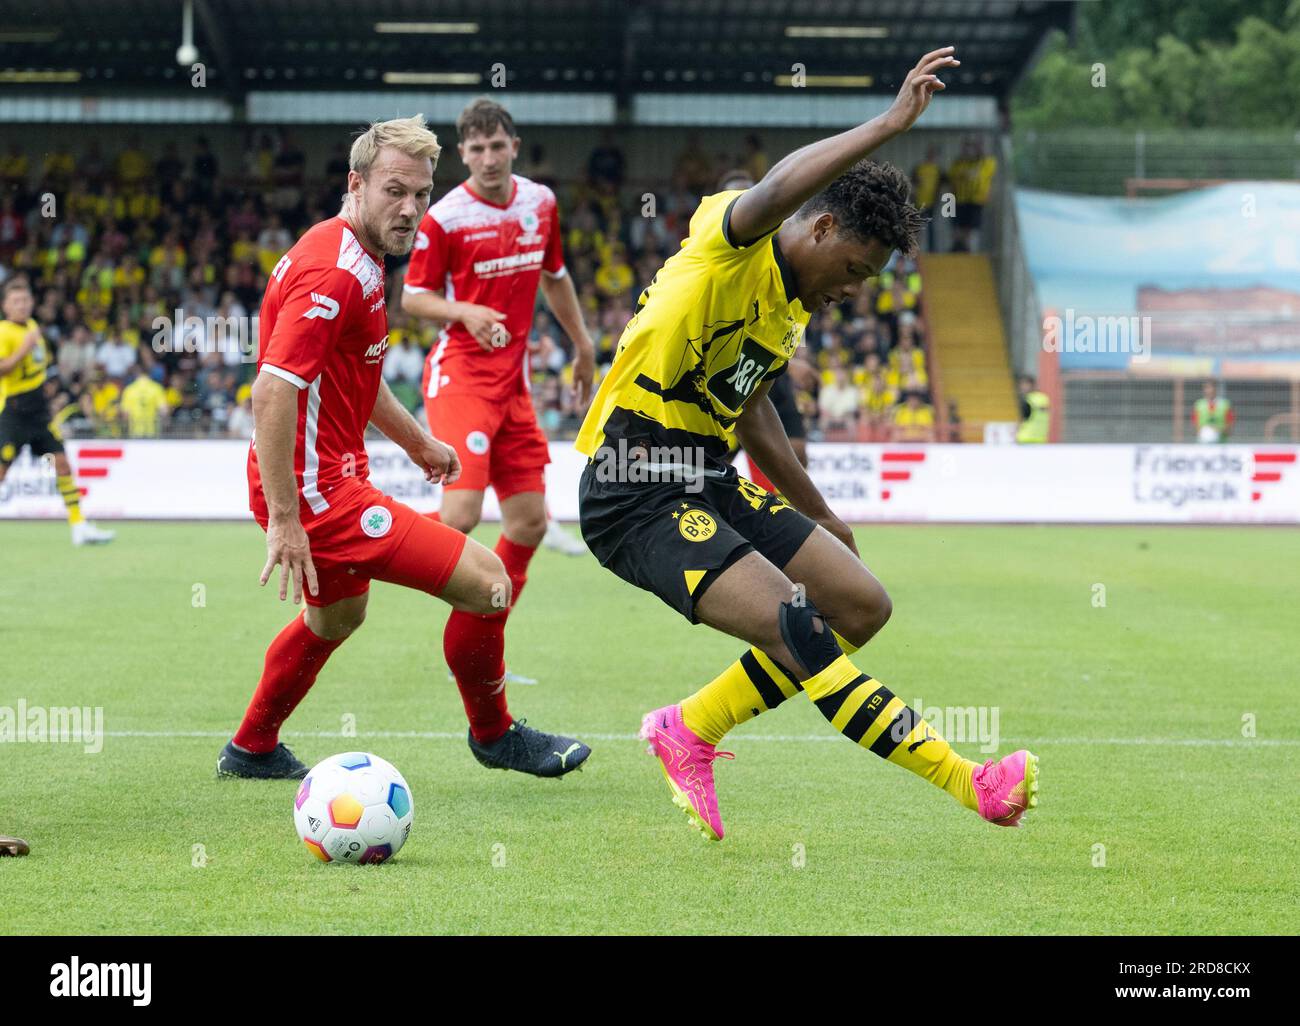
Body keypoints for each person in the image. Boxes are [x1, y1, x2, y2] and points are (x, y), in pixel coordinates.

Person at [576, 47, 1038, 841]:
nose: (851, 290)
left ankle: (687, 729)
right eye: (853, 268)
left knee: (860, 603)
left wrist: (820, 513)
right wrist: (890, 124)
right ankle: (970, 782)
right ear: (820, 227)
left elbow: (752, 408)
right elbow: (780, 185)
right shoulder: (736, 247)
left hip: (705, 471)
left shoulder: (790, 307)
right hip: (634, 482)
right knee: (799, 626)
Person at [217, 115, 589, 783]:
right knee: (489, 585)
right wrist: (285, 519)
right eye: (395, 190)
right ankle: (495, 733)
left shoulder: (348, 252)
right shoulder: (335, 275)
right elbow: (272, 394)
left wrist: (419, 442)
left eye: (421, 193)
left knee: (335, 619)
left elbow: (354, 371)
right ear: (356, 184)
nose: (411, 208)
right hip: (320, 493)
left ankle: (252, 747)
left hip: (327, 478)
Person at [401, 97, 598, 706]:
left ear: (514, 146)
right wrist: (464, 309)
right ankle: (362, 541)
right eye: (476, 149)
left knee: (530, 523)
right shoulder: (447, 217)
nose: (487, 158)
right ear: (463, 155)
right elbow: (413, 297)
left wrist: (584, 345)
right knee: (458, 517)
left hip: (511, 385)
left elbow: (556, 276)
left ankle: (484, 646)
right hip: (460, 376)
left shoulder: (540, 202)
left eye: (497, 146)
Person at [0, 277, 115, 546]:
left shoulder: (32, 327)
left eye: (26, 300)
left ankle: (79, 526)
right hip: (14, 412)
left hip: (39, 413)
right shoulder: (5, 332)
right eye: (16, 301)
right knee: (2, 471)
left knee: (62, 463)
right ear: (5, 305)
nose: (22, 305)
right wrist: (24, 348)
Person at [1016, 375, 1050, 444]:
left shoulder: (1028, 400)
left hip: (1025, 438)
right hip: (1041, 439)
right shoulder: (1044, 398)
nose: (1022, 388)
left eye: (1024, 385)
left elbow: (1023, 418)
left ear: (1032, 385)